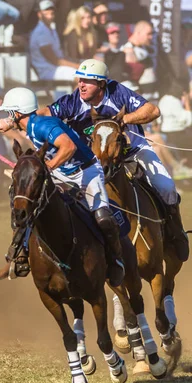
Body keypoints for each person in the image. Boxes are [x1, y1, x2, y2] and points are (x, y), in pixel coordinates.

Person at [39, 59, 189, 262]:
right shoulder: (72, 102)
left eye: (88, 81)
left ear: (101, 84)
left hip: (134, 150)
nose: (81, 84)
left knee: (166, 186)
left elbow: (153, 111)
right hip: (95, 161)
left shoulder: (117, 92)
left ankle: (175, 232)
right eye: (80, 79)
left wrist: (124, 120)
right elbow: (44, 114)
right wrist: (17, 118)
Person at [0, 87, 125, 285]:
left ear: (16, 113)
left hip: (86, 171)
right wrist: (9, 123)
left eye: (9, 112)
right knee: (31, 206)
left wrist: (49, 167)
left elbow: (68, 147)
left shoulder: (42, 126)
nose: (8, 116)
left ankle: (115, 260)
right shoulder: (33, 123)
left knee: (103, 217)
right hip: (62, 172)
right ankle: (16, 257)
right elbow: (23, 118)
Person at [29, 0, 80, 81]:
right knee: (80, 76)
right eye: (46, 14)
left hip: (56, 69)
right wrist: (77, 66)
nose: (50, 16)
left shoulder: (51, 28)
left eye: (51, 13)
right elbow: (55, 61)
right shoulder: (40, 32)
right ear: (39, 14)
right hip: (48, 71)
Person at [121, 21, 155, 86]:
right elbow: (131, 77)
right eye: (148, 34)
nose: (151, 37)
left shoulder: (144, 47)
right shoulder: (128, 50)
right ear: (138, 33)